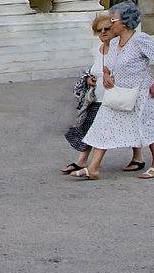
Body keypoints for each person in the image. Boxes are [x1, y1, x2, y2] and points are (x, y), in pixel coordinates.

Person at [73, 1, 154, 179]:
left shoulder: (140, 39)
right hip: (118, 93)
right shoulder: (115, 41)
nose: (110, 24)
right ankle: (93, 167)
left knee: (146, 126)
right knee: (102, 125)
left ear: (124, 22)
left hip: (140, 92)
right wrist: (107, 75)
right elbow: (107, 66)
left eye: (113, 20)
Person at [61, 13, 147, 174]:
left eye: (107, 29)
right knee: (91, 127)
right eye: (99, 30)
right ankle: (83, 160)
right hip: (98, 96)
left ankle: (137, 156)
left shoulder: (122, 48)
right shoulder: (97, 50)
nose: (103, 33)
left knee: (129, 124)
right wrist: (88, 78)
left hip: (118, 95)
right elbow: (93, 70)